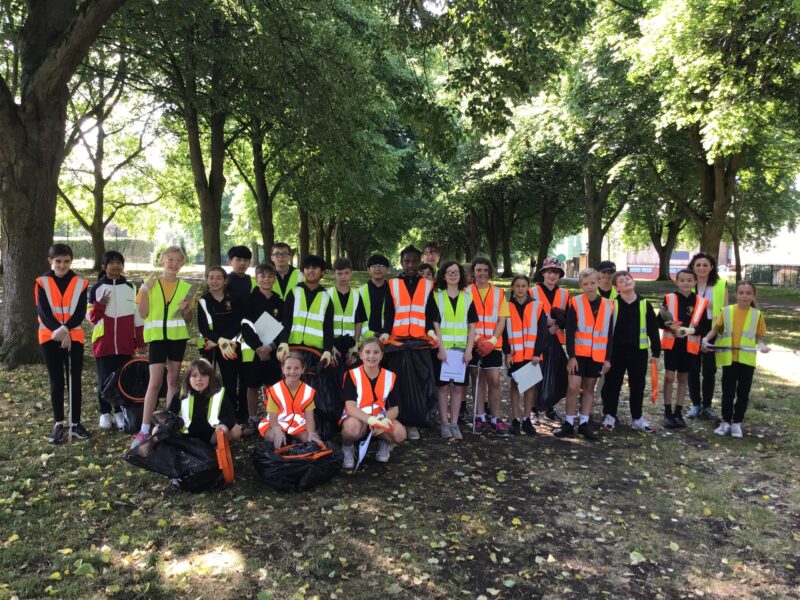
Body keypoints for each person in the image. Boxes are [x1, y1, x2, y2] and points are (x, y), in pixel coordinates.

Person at [131, 246, 194, 449]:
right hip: (157, 339)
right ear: (162, 261)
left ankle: (168, 423)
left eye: (178, 260)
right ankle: (144, 428)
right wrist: (144, 290)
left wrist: (186, 311)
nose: (174, 263)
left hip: (177, 338)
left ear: (182, 263)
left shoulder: (186, 287)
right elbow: (143, 313)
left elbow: (188, 319)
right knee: (155, 382)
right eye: (170, 259)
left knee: (173, 380)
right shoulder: (151, 284)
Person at [383, 245, 440, 440]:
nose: (410, 265)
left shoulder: (426, 284)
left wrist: (431, 331)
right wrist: (385, 333)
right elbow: (389, 312)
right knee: (397, 384)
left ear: (419, 262)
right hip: (397, 342)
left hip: (418, 342)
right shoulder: (392, 284)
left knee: (418, 383)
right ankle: (400, 421)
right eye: (406, 261)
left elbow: (430, 311)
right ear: (401, 262)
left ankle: (413, 422)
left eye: (414, 261)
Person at [36, 244, 90, 443]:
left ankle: (75, 423)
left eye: (66, 261)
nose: (62, 265)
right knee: (57, 380)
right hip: (49, 336)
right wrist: (58, 332)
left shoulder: (80, 283)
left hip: (73, 335)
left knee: (74, 380)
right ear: (51, 261)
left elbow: (80, 311)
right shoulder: (42, 282)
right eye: (58, 261)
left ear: (71, 261)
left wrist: (66, 329)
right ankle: (59, 423)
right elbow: (42, 311)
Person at [87, 250, 145, 431]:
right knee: (104, 379)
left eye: (119, 262)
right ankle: (105, 413)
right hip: (103, 343)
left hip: (125, 343)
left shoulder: (131, 288)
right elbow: (91, 318)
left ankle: (120, 411)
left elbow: (138, 318)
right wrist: (100, 304)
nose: (116, 266)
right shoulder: (96, 289)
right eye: (111, 262)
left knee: (123, 378)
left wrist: (141, 342)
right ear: (104, 267)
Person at [703, 281, 769, 438]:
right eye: (741, 292)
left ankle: (737, 423)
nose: (744, 296)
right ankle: (726, 421)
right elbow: (715, 330)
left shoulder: (757, 315)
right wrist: (705, 339)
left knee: (743, 393)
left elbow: (758, 338)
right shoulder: (726, 311)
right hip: (729, 359)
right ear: (736, 294)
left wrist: (762, 346)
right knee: (728, 391)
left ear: (753, 295)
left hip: (747, 360)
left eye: (748, 293)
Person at [554, 268, 613, 441]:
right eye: (585, 284)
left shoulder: (608, 305)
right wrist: (571, 356)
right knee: (573, 388)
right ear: (580, 285)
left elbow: (609, 334)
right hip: (578, 355)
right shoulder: (575, 302)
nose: (589, 287)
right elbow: (570, 331)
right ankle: (569, 423)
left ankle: (585, 424)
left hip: (597, 356)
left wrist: (607, 358)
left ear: (598, 282)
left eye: (593, 283)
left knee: (589, 389)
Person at [600, 271, 661, 433]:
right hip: (616, 353)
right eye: (621, 280)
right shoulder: (612, 304)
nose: (626, 281)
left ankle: (637, 418)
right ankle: (610, 415)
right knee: (612, 385)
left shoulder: (644, 304)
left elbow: (653, 330)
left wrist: (656, 353)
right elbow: (605, 330)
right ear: (616, 288)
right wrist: (605, 355)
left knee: (638, 386)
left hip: (638, 353)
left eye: (628, 278)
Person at [340, 337, 407, 468]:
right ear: (360, 355)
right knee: (351, 428)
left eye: (376, 352)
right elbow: (350, 407)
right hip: (358, 417)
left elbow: (395, 408)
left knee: (400, 434)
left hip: (379, 416)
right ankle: (347, 447)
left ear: (382, 355)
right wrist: (371, 421)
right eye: (367, 352)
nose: (371, 356)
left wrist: (382, 420)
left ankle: (386, 444)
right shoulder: (352, 375)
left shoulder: (390, 376)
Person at [658, 269, 709, 429]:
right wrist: (670, 326)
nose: (686, 283)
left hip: (690, 346)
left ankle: (678, 412)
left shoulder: (701, 302)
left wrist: (689, 331)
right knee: (668, 378)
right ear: (677, 282)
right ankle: (667, 412)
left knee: (682, 379)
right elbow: (658, 321)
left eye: (689, 280)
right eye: (682, 280)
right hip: (673, 345)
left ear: (695, 282)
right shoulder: (669, 298)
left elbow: (704, 327)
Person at [240, 262, 286, 437]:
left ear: (274, 279)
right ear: (256, 278)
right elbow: (245, 326)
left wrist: (271, 347)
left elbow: (283, 326)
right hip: (254, 351)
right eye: (262, 276)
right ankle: (252, 419)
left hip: (272, 351)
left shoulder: (279, 302)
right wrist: (259, 348)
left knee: (272, 386)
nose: (266, 280)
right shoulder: (249, 300)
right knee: (252, 385)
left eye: (270, 276)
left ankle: (271, 419)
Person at [432, 261, 477, 440]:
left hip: (461, 351)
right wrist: (441, 349)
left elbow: (472, 326)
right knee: (442, 388)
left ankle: (454, 423)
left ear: (461, 275)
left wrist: (469, 350)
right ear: (443, 276)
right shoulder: (437, 297)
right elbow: (435, 325)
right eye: (449, 272)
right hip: (443, 351)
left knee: (458, 388)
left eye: (456, 272)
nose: (453, 275)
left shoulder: (467, 298)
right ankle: (444, 423)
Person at [197, 266, 244, 421]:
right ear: (207, 280)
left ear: (225, 281)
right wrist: (218, 341)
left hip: (230, 345)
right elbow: (203, 327)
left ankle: (234, 415)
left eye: (218, 278)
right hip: (209, 345)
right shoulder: (203, 301)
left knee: (230, 380)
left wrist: (225, 341)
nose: (215, 281)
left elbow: (237, 323)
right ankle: (206, 413)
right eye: (211, 278)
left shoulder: (235, 298)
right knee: (205, 379)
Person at [469, 257, 509, 436]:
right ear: (473, 272)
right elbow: (465, 318)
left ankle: (496, 418)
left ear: (490, 273)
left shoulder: (499, 293)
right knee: (477, 380)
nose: (482, 273)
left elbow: (502, 319)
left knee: (494, 381)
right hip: (474, 343)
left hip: (493, 345)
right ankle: (480, 417)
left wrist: (492, 341)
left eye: (485, 270)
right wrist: (478, 340)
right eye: (479, 270)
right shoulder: (466, 292)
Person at [687, 252, 728, 421]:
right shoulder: (688, 283)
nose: (701, 268)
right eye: (698, 265)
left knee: (709, 371)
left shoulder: (720, 285)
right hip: (692, 329)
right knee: (692, 369)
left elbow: (725, 312)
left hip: (712, 329)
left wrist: (714, 335)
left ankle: (708, 406)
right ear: (693, 267)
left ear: (711, 267)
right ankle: (695, 404)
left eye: (705, 265)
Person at [161, 359, 241, 446]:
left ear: (210, 378)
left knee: (236, 430)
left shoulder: (218, 393)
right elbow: (170, 414)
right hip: (186, 437)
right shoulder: (181, 394)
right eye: (194, 376)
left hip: (212, 437)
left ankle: (218, 450)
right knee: (157, 429)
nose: (199, 379)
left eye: (203, 375)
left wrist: (223, 425)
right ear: (188, 379)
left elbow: (229, 415)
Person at [503, 275, 546, 435]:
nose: (520, 289)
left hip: (532, 356)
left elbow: (542, 332)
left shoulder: (537, 306)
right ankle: (515, 419)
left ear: (528, 287)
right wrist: (507, 352)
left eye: (523, 286)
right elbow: (504, 334)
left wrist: (537, 353)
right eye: (517, 286)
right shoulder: (506, 306)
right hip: (514, 355)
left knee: (530, 387)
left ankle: (527, 419)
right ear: (512, 287)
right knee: (515, 386)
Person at [530, 257, 570, 421]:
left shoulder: (564, 294)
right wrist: (544, 324)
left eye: (555, 272)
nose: (552, 275)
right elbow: (526, 314)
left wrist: (559, 326)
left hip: (555, 339)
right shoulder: (532, 292)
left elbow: (569, 317)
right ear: (543, 273)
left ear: (559, 275)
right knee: (536, 373)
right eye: (549, 272)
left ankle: (549, 406)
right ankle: (533, 407)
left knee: (556, 372)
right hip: (537, 339)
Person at [277, 254, 334, 367]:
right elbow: (286, 319)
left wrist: (328, 350)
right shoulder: (294, 292)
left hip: (315, 351)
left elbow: (328, 326)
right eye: (307, 268)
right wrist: (283, 341)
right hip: (292, 347)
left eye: (314, 268)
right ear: (303, 272)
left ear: (322, 272)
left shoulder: (326, 298)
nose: (310, 271)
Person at [258, 352, 322, 448]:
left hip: (297, 425)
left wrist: (311, 433)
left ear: (302, 369)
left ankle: (293, 440)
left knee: (313, 440)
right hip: (277, 423)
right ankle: (285, 440)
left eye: (296, 368)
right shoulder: (275, 390)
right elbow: (273, 417)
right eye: (288, 368)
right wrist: (276, 430)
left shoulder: (308, 391)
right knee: (273, 437)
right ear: (283, 369)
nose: (292, 371)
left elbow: (309, 418)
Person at [327, 257, 361, 365]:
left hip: (350, 343)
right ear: (334, 274)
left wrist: (355, 344)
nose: (343, 277)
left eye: (346, 273)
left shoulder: (356, 295)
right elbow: (323, 323)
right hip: (333, 343)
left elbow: (359, 322)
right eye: (339, 273)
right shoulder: (327, 294)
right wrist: (329, 346)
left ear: (351, 273)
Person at [355, 254, 393, 339]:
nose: (378, 269)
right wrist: (371, 334)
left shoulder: (393, 291)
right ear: (368, 270)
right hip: (366, 338)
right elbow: (358, 319)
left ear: (387, 270)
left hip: (388, 337)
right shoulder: (359, 292)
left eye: (381, 266)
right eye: (374, 266)